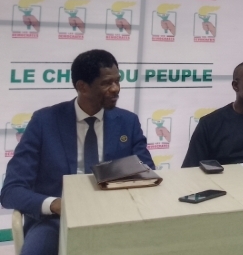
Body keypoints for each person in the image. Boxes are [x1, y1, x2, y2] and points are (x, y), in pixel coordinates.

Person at [0, 50, 153, 255]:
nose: (116, 88)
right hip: (56, 221)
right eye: (106, 83)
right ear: (82, 87)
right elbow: (11, 190)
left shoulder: (128, 122)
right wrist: (56, 205)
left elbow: (147, 173)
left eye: (118, 81)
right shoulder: (44, 122)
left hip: (117, 217)